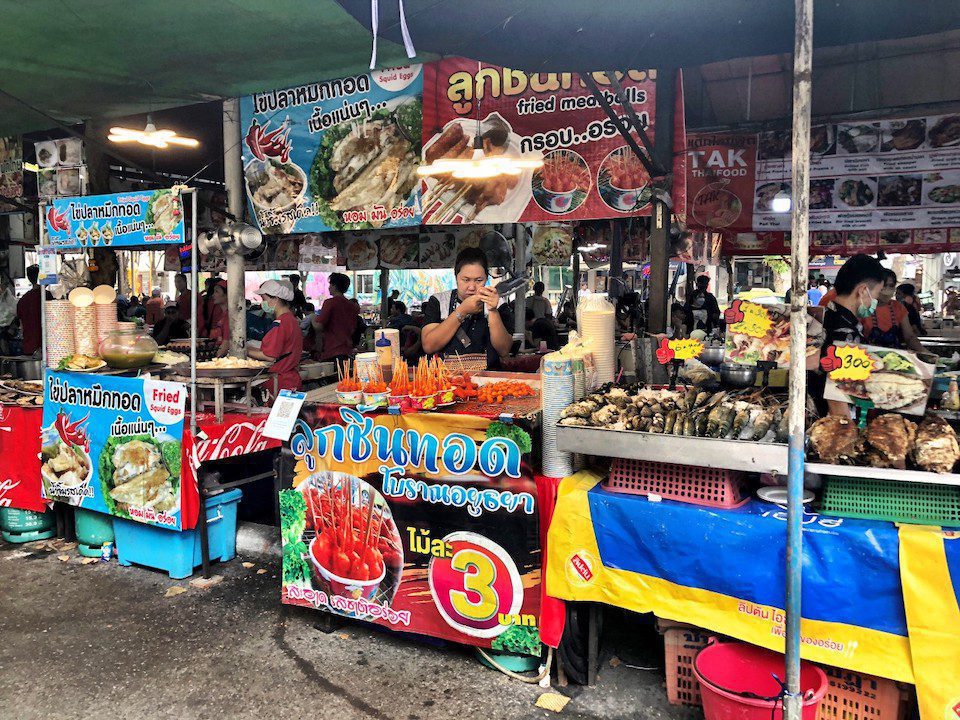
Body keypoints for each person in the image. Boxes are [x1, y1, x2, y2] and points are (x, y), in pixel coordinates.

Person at [810, 254, 886, 417]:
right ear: (863, 291)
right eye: (877, 294)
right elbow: (837, 397)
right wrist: (847, 426)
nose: (876, 301)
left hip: (810, 411)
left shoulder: (822, 317)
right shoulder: (846, 332)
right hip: (829, 419)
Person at [421, 247, 513, 369]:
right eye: (466, 280)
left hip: (487, 377)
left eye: (478, 280)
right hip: (444, 377)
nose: (472, 287)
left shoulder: (498, 303)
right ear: (456, 277)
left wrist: (493, 311)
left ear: (486, 279)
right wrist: (462, 310)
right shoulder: (439, 301)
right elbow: (428, 346)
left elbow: (504, 350)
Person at [246, 280, 304, 394]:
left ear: (275, 298)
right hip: (290, 379)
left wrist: (244, 351)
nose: (262, 303)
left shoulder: (280, 323)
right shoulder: (291, 320)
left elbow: (269, 356)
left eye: (264, 299)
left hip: (281, 382)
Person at [860, 270, 926, 353]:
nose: (887, 289)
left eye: (891, 286)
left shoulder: (898, 307)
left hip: (894, 356)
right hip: (868, 356)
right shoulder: (863, 307)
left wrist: (925, 352)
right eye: (884, 285)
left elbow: (909, 337)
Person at [312, 273, 359, 365]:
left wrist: (312, 318)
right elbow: (353, 329)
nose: (329, 287)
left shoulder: (330, 303)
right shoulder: (352, 306)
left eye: (330, 284)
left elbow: (318, 326)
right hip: (347, 351)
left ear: (334, 286)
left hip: (332, 351)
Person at [16, 265, 41, 355]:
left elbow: (21, 325)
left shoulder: (23, 300)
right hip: (45, 346)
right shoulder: (47, 296)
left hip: (29, 346)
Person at [209, 280, 231, 357]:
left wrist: (214, 359)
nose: (213, 295)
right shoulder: (222, 314)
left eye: (217, 292)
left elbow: (226, 344)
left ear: (227, 295)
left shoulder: (229, 316)